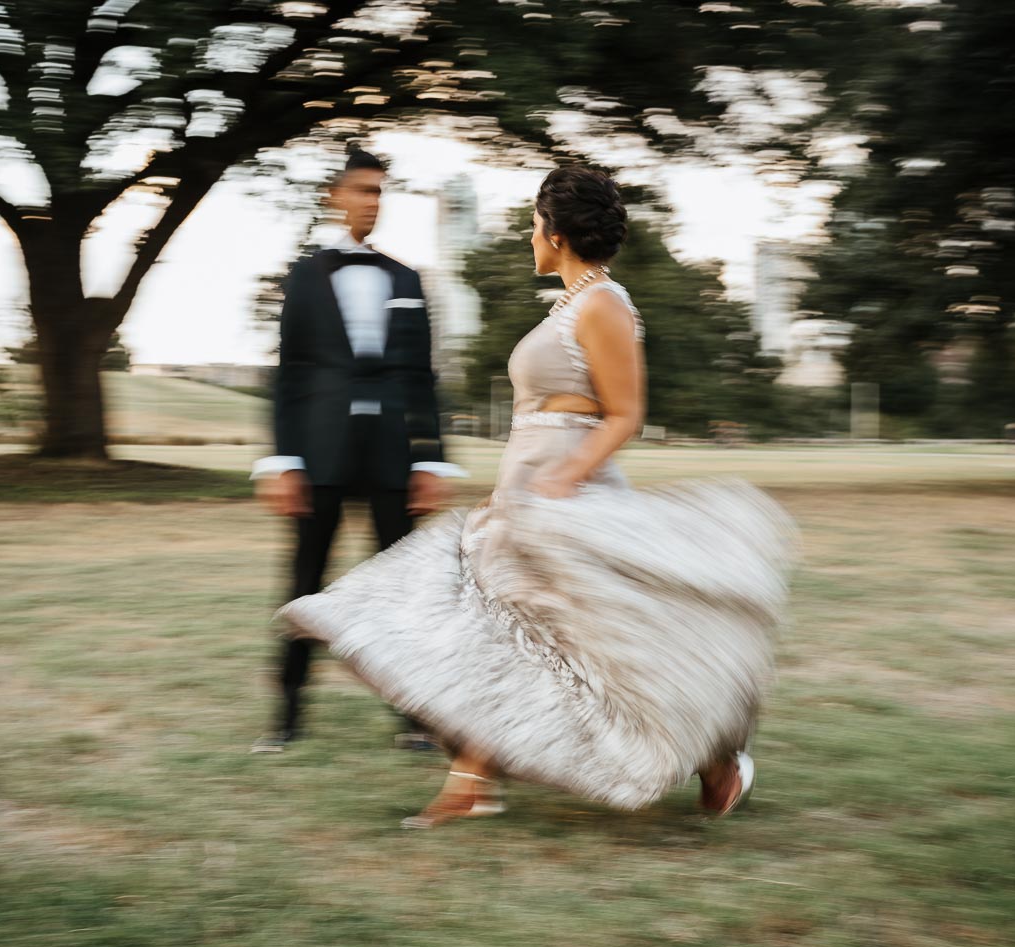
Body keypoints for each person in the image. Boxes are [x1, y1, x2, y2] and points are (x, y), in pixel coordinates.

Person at [280, 165, 795, 826]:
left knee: (595, 643)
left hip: (567, 500)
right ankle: (472, 780)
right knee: (500, 634)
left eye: (532, 224)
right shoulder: (570, 304)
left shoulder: (605, 303)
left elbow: (625, 413)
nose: (530, 236)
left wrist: (564, 478)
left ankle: (715, 758)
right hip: (527, 497)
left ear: (555, 232)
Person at [250, 147, 465, 753]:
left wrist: (430, 458)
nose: (372, 202)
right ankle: (287, 719)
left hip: (394, 455)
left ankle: (416, 721)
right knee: (304, 587)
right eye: (362, 190)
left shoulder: (406, 279)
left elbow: (424, 375)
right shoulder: (305, 276)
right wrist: (283, 461)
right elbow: (288, 372)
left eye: (379, 192)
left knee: (405, 590)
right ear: (334, 197)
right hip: (318, 455)